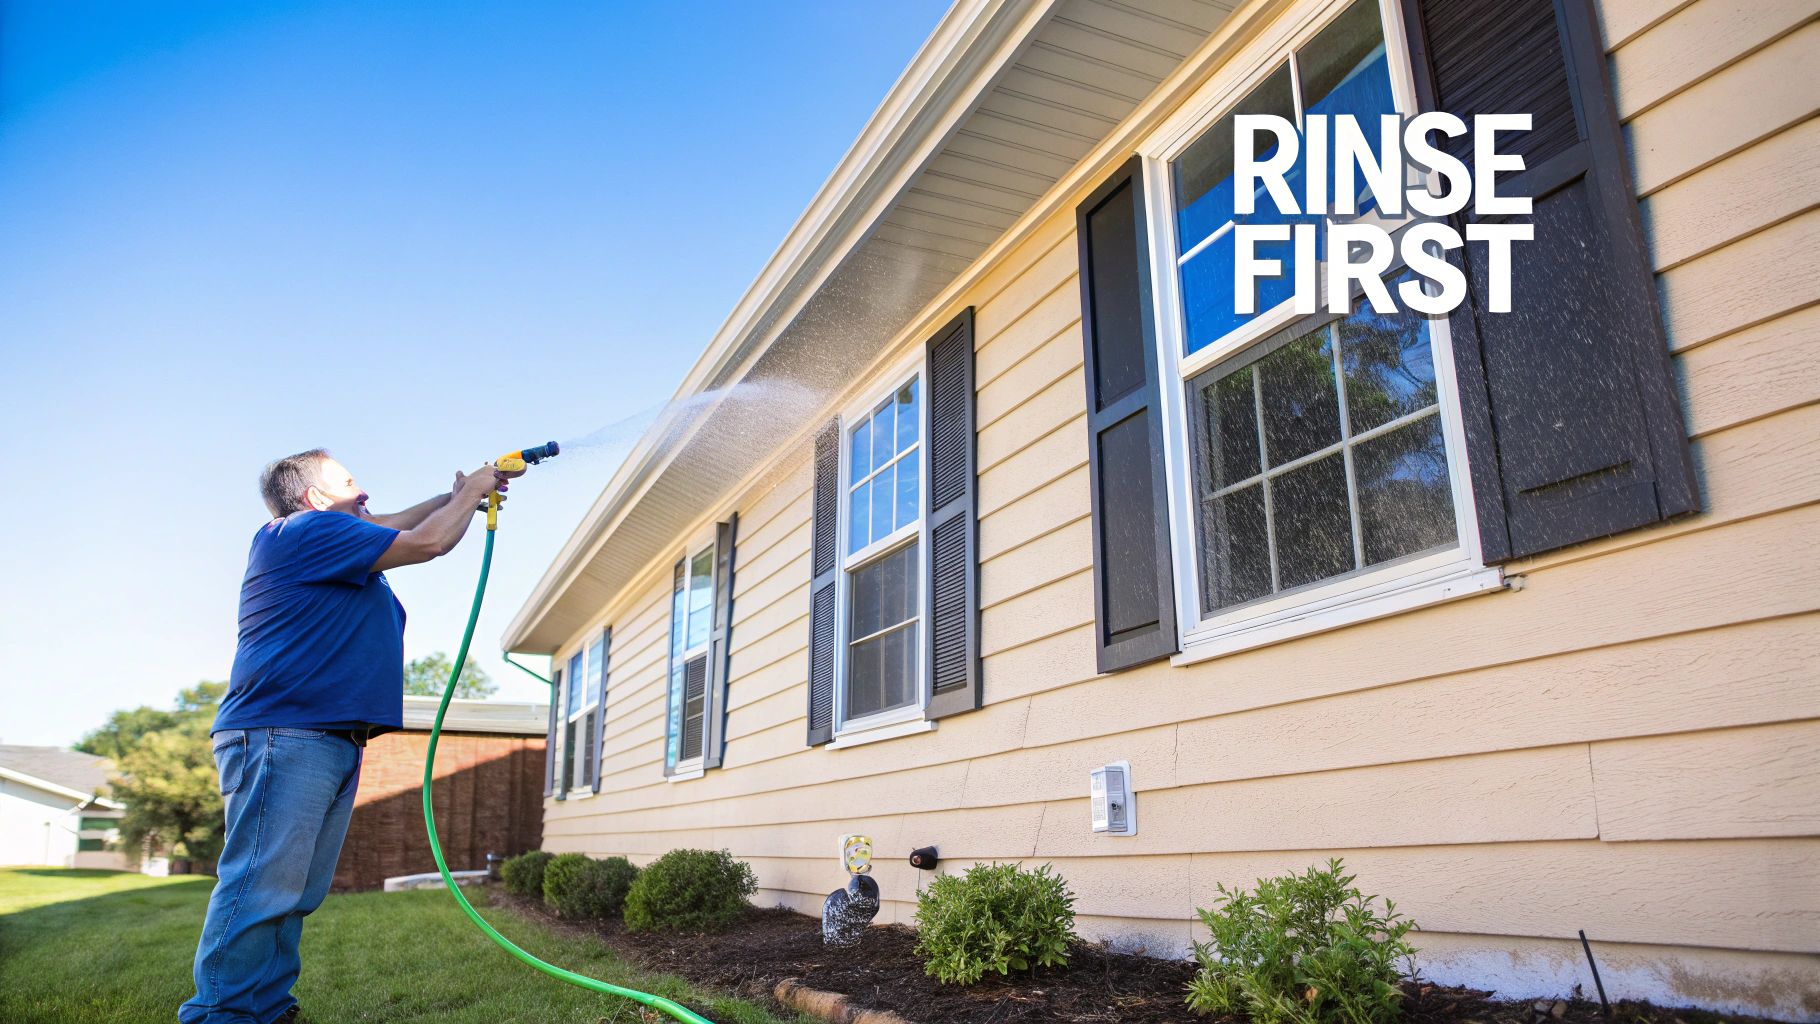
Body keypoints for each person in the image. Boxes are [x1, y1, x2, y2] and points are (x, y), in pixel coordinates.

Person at [179, 448, 518, 1024]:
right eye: (349, 483)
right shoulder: (304, 531)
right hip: (282, 729)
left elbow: (402, 524)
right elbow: (426, 542)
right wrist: (465, 498)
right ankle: (222, 1015)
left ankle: (266, 1008)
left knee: (295, 891)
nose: (364, 493)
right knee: (263, 882)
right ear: (315, 497)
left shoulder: (327, 535)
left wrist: (458, 494)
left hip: (324, 734)